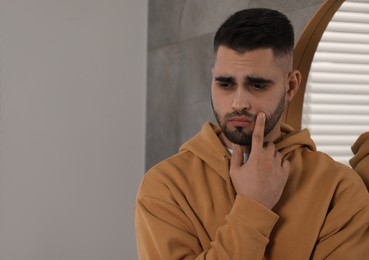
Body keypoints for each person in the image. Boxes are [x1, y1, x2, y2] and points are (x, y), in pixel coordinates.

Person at [135, 8, 369, 259]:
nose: (238, 102)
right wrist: (253, 206)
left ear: (291, 86)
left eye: (257, 85)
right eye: (225, 84)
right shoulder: (165, 187)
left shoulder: (338, 188)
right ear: (212, 80)